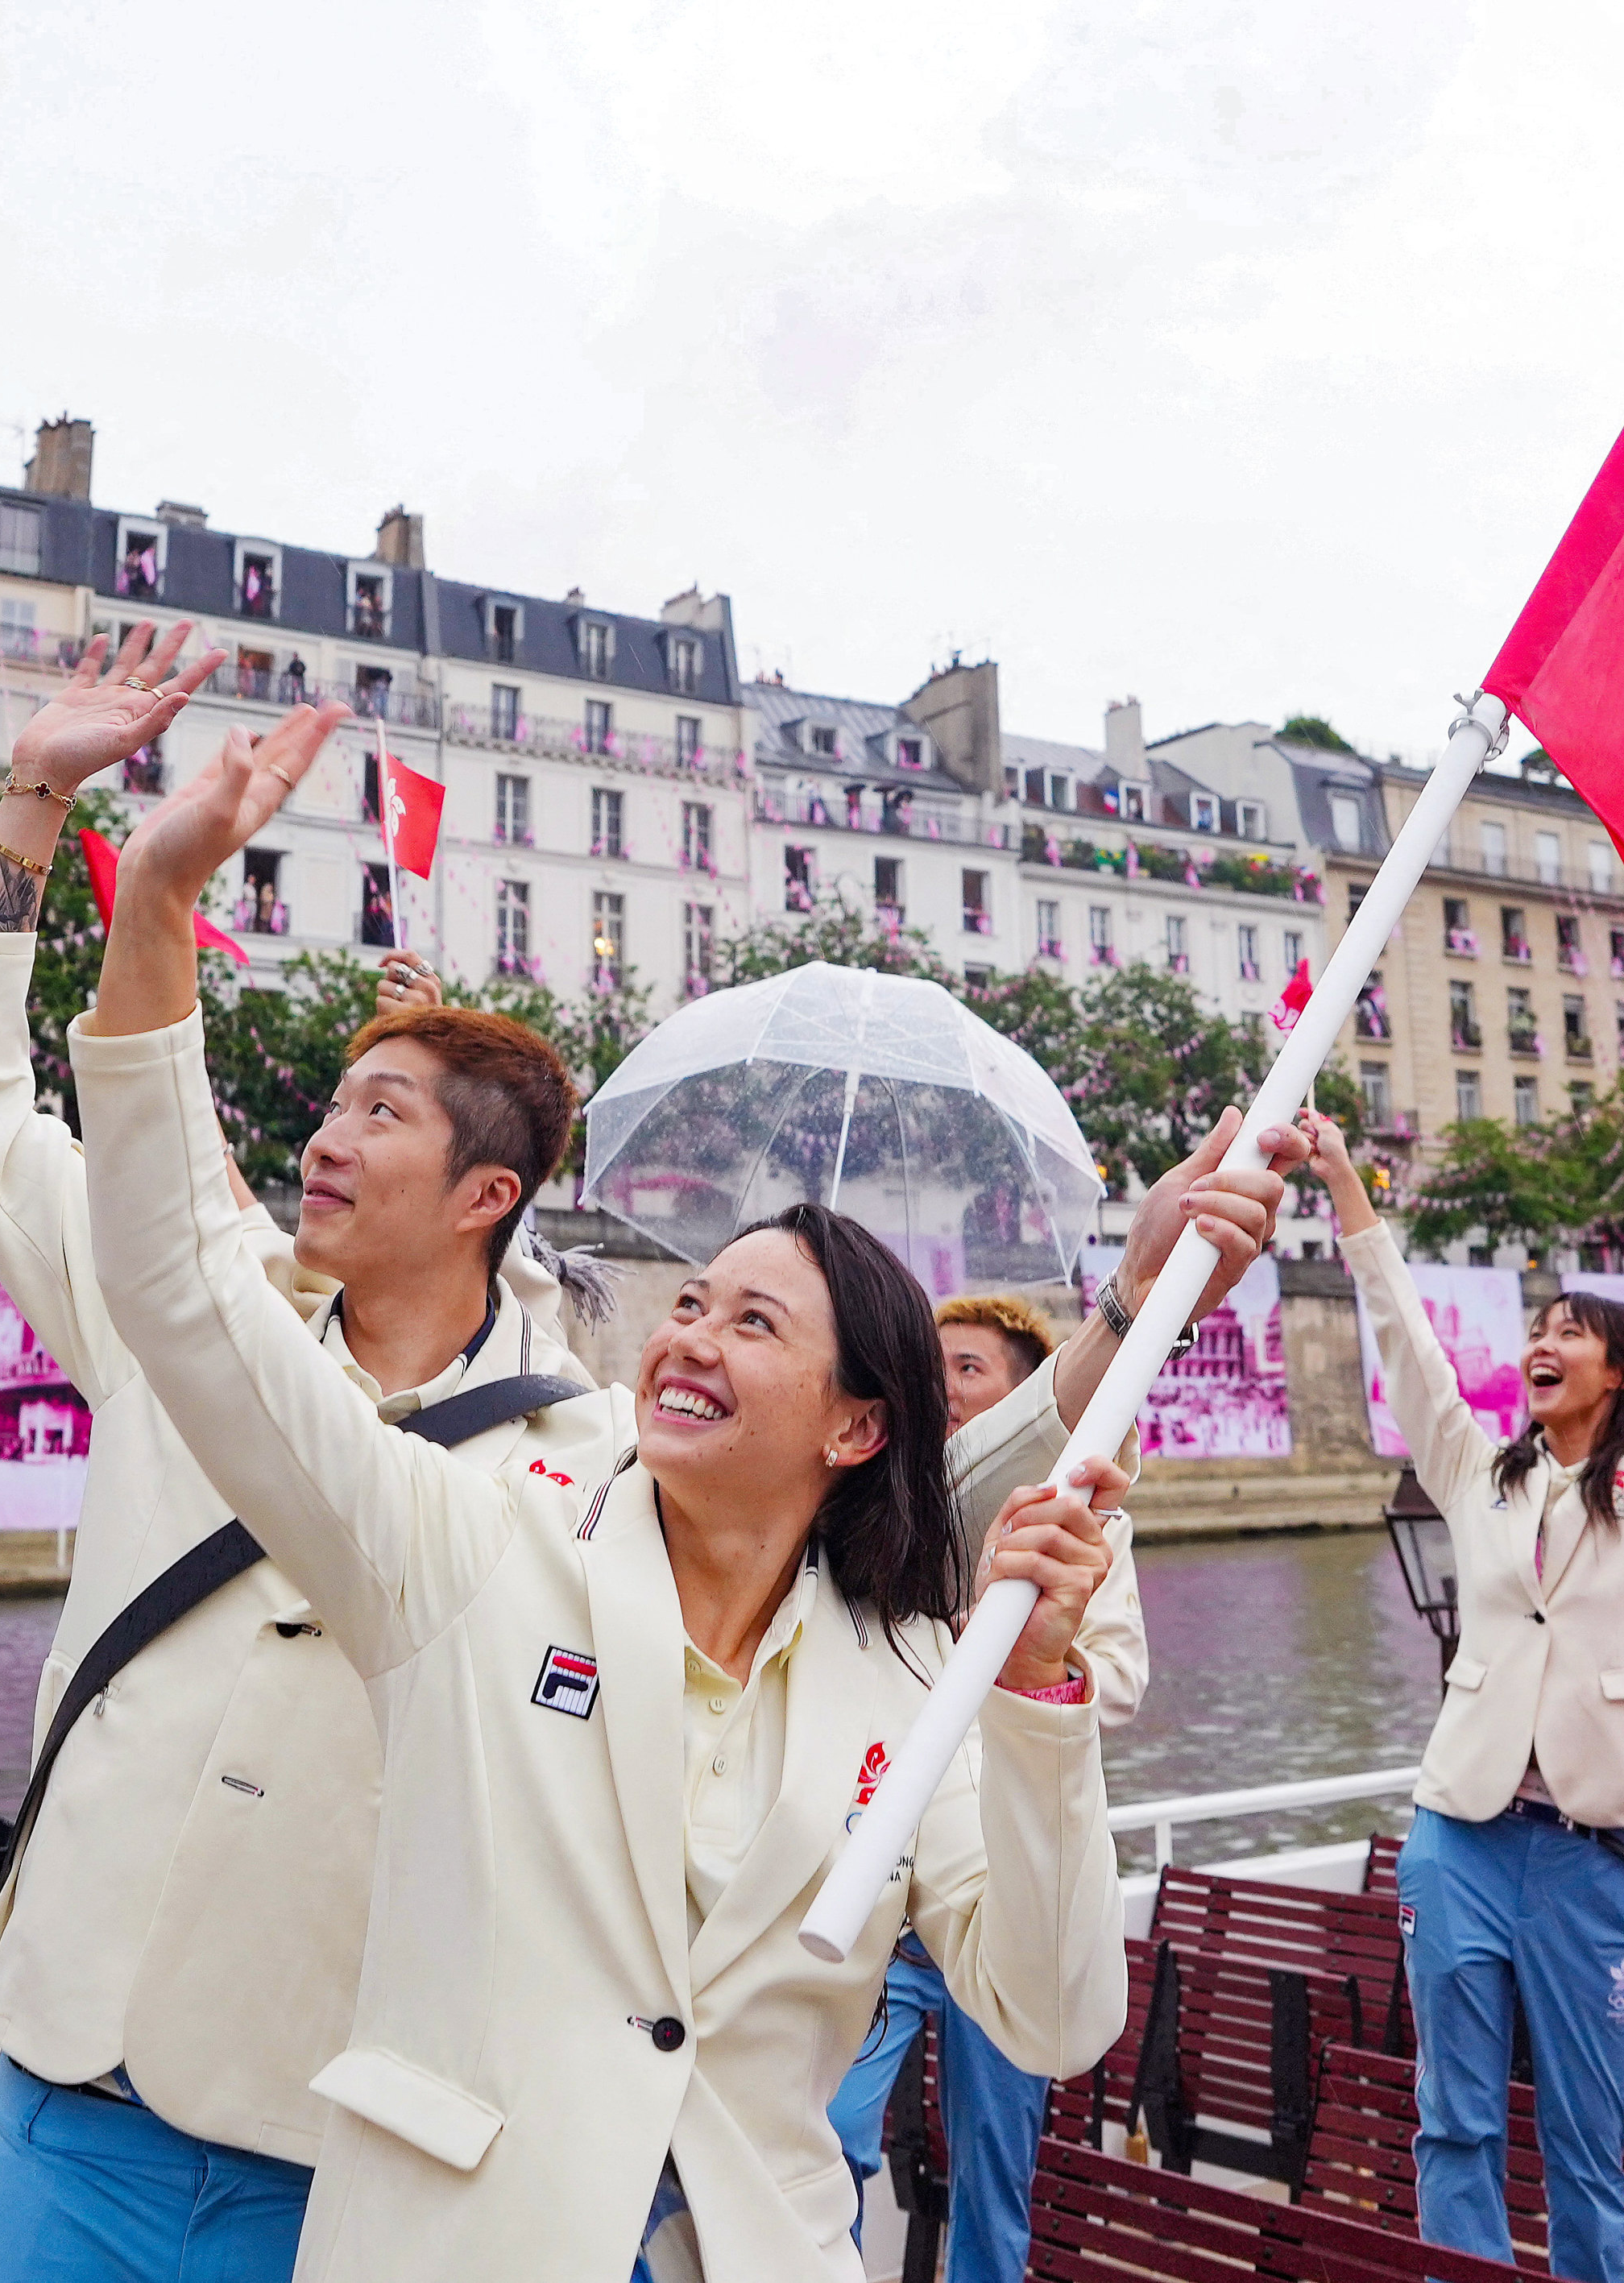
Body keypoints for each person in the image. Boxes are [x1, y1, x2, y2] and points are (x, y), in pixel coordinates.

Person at [64, 723, 1290, 2281]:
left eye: (753, 1321)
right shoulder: (476, 1542)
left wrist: (1041, 1701)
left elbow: (1051, 2018)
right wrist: (156, 908)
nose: (690, 1334)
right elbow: (181, 1294)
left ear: (856, 1426)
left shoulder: (925, 1676)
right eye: (692, 1299)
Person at [0, 629, 631, 2283]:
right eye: (332, 1099)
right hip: (62, 2097)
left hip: (342, 2149)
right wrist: (33, 808)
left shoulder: (588, 1469)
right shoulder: (195, 1308)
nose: (322, 1131)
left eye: (383, 1113)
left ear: (486, 1197)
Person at [1302, 1108, 1624, 2283]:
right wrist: (1343, 1184)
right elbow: (1407, 1344)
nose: (1545, 1339)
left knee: (1587, 2142)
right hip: (1461, 1836)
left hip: (1590, 1853)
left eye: (1573, 1331)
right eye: (1539, 1326)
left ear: (1623, 1370)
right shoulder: (1481, 1475)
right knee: (1455, 2121)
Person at [826, 1292, 1151, 2283]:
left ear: (1031, 1398)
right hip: (883, 1899)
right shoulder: (867, 1520)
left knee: (993, 2177)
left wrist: (1014, 1659)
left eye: (969, 1368)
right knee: (825, 2141)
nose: (946, 1386)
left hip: (995, 1889)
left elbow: (1121, 1680)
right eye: (935, 1368)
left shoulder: (1077, 1530)